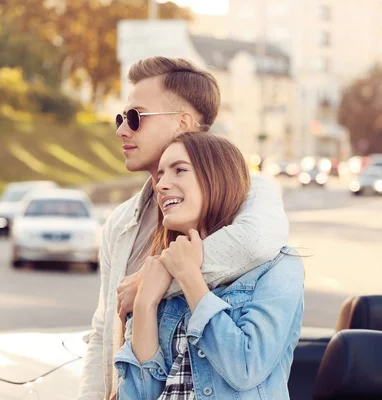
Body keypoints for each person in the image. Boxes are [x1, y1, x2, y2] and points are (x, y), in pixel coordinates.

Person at [77, 56, 289, 400]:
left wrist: (157, 278)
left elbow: (254, 243)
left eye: (135, 117)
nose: (121, 130)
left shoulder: (251, 191)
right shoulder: (121, 222)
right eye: (121, 118)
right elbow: (104, 330)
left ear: (184, 124)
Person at [114, 132, 304, 399]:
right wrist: (146, 302)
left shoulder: (278, 267)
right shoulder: (156, 273)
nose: (162, 184)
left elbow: (246, 368)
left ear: (217, 178)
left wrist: (189, 278)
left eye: (179, 170)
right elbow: (139, 394)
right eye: (160, 175)